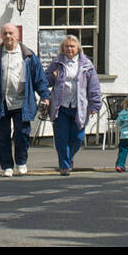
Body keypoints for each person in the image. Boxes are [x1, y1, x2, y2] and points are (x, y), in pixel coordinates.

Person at [0, 23, 50, 176]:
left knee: (22, 134)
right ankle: (7, 166)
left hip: (21, 102)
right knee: (2, 136)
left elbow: (39, 78)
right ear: (1, 36)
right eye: (5, 34)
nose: (8, 37)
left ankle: (21, 162)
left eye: (11, 33)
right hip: (1, 102)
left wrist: (44, 95)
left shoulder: (28, 56)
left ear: (17, 35)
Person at [46, 35, 103, 176]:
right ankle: (64, 166)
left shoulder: (87, 65)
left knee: (78, 138)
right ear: (63, 48)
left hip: (80, 107)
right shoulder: (57, 62)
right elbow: (45, 80)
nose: (69, 49)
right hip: (61, 107)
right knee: (61, 138)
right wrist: (52, 76)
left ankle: (69, 158)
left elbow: (94, 86)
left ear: (78, 48)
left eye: (72, 46)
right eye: (67, 46)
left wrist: (95, 105)